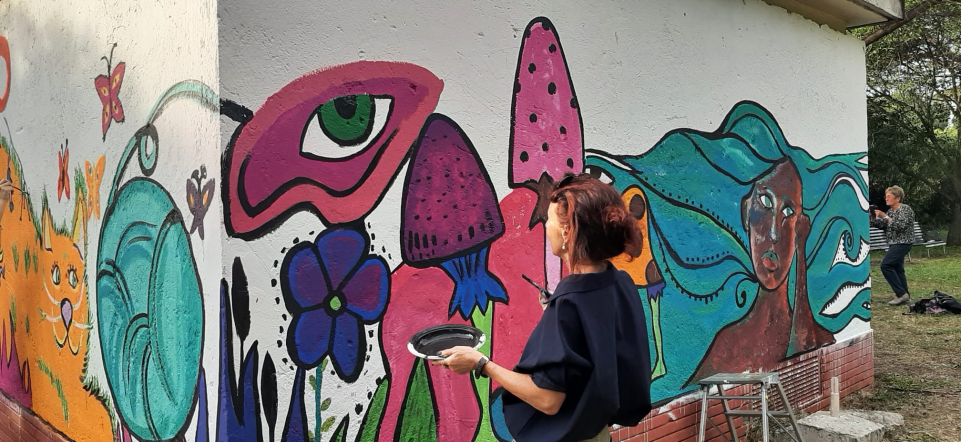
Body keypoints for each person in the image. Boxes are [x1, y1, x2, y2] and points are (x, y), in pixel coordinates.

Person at [433, 173, 653, 442]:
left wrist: (481, 364)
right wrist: (557, 312)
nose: (546, 225)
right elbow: (599, 342)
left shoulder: (569, 303)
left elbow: (548, 399)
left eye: (550, 219)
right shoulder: (619, 282)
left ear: (567, 231)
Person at [871, 186, 916, 305]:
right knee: (897, 268)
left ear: (897, 198)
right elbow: (884, 226)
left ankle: (901, 294)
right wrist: (874, 218)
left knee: (885, 265)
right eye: (885, 196)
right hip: (894, 243)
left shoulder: (905, 209)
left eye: (888, 196)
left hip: (903, 242)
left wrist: (885, 216)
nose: (886, 198)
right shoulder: (891, 211)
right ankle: (905, 295)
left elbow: (901, 226)